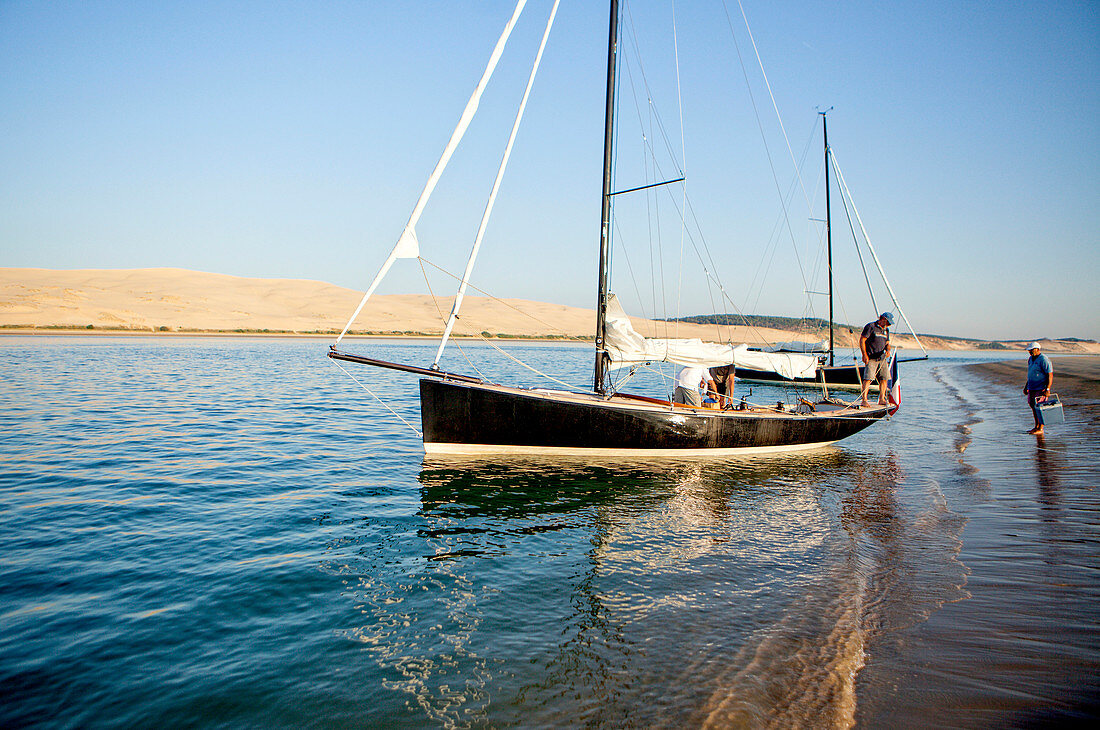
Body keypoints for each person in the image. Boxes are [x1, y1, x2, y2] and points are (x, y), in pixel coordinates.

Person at [859, 312, 894, 407]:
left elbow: (887, 343)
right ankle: (864, 400)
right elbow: (862, 340)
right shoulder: (871, 326)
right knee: (868, 378)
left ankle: (882, 399)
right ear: (883, 319)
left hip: (882, 359)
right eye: (888, 322)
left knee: (884, 378)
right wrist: (864, 354)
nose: (888, 325)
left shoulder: (886, 330)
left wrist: (888, 350)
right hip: (871, 357)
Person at [1023, 341, 1054, 435]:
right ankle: (1036, 426)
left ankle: (1040, 428)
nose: (1030, 352)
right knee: (1032, 405)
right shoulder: (1030, 359)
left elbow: (1050, 375)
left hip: (1041, 388)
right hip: (1032, 387)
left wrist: (1048, 389)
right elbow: (1030, 374)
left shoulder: (1044, 359)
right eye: (1029, 350)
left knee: (1040, 407)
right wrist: (1026, 386)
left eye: (1031, 350)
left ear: (1037, 349)